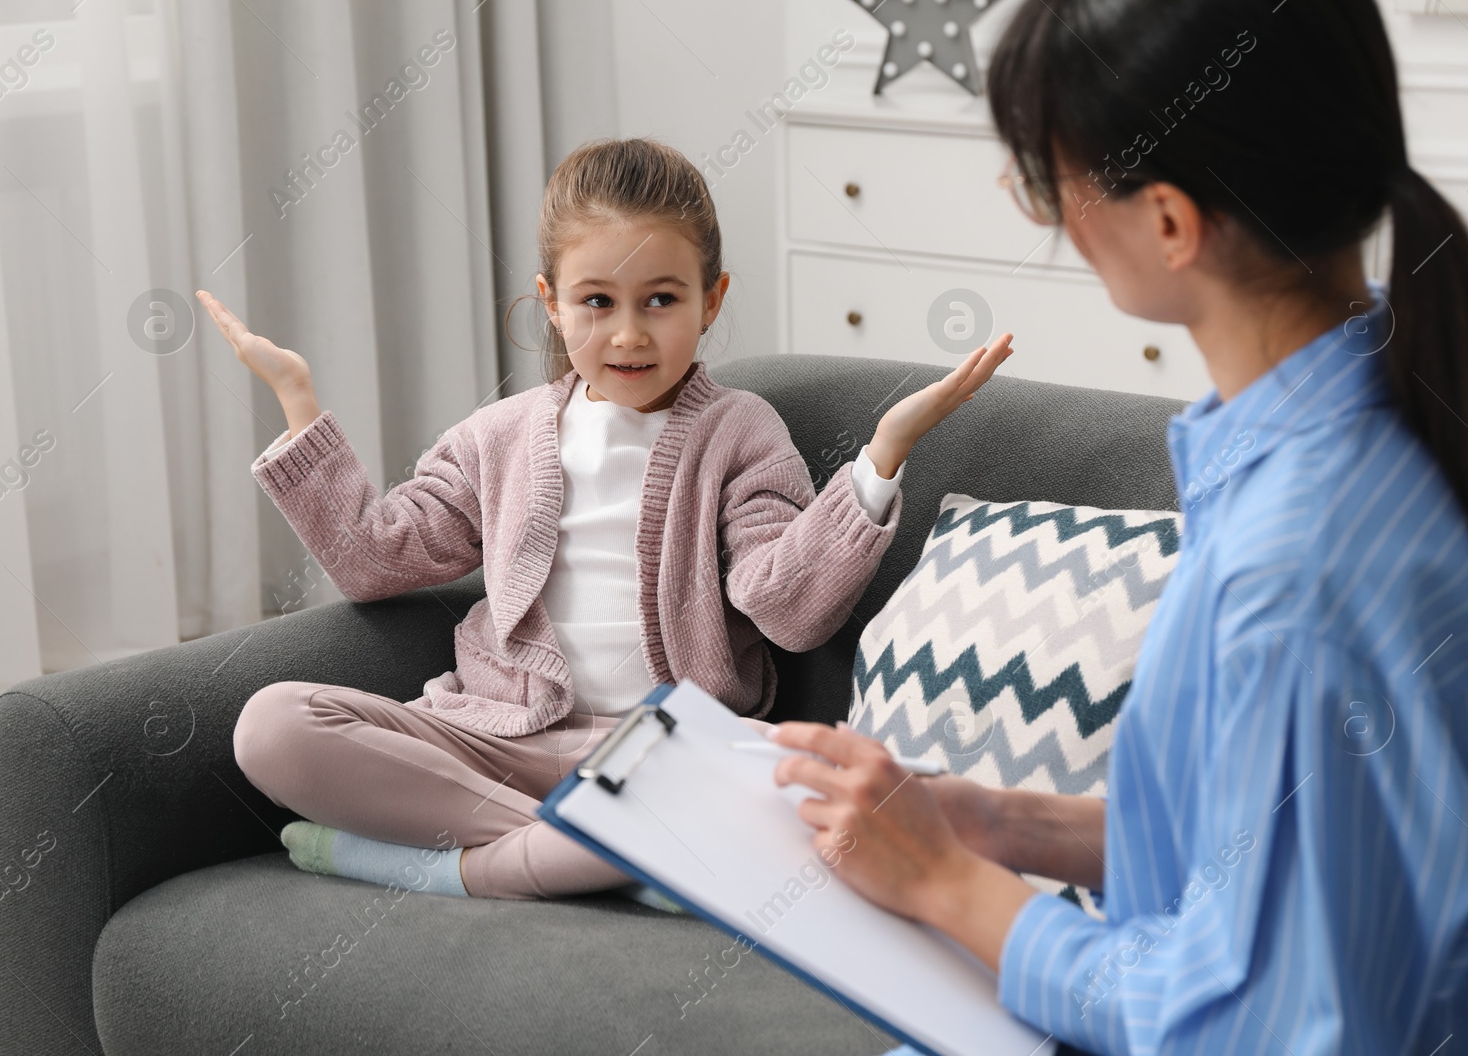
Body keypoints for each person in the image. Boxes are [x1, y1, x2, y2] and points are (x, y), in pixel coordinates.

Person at [769, 0, 1468, 1052]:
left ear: (1171, 221)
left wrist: (950, 882)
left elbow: (1249, 1022)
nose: (1047, 214)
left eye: (1048, 179)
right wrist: (1003, 823)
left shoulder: (1295, 561)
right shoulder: (1386, 429)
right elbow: (1291, 852)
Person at [205, 136, 1014, 901]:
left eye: (661, 299)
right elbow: (374, 560)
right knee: (272, 726)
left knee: (818, 805)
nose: (628, 333)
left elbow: (790, 612)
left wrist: (879, 458)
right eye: (597, 301)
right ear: (552, 305)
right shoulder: (498, 436)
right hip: (492, 741)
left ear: (711, 299)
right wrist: (298, 402)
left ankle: (462, 871)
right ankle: (615, 857)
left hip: (664, 755)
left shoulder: (741, 432)